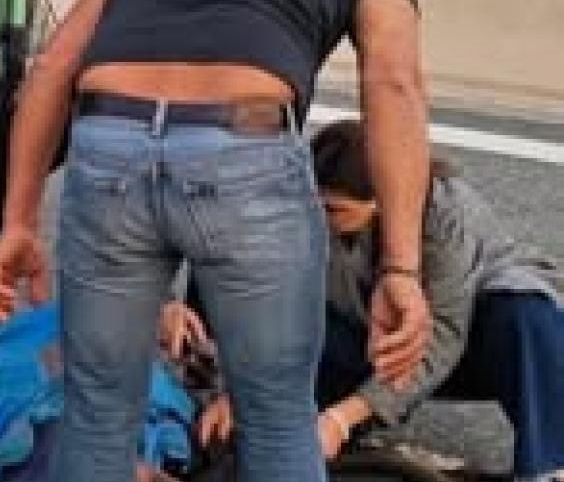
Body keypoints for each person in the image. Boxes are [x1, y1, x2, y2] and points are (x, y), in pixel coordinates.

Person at [0, 0, 434, 482]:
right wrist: (402, 269)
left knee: (97, 414)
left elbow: (52, 66)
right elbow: (394, 83)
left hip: (109, 141)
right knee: (277, 418)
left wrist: (19, 221)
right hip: (241, 150)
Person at [195, 120, 564, 482]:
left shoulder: (448, 215)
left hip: (465, 341)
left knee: (526, 314)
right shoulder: (302, 210)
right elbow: (271, 302)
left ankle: (549, 465)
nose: (320, 220)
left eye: (334, 210)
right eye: (315, 205)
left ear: (379, 201)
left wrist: (343, 418)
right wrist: (242, 392)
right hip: (370, 334)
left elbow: (442, 338)